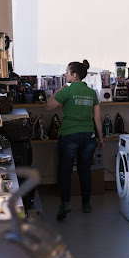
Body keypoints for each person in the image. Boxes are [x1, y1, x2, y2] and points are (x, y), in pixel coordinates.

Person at [46, 60, 104, 221]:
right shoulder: (92, 93)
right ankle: (86, 204)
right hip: (89, 136)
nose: (65, 75)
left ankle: (66, 204)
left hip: (70, 135)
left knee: (65, 171)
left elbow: (48, 107)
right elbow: (97, 118)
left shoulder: (67, 91)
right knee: (85, 170)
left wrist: (58, 90)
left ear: (75, 75)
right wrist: (100, 138)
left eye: (67, 72)